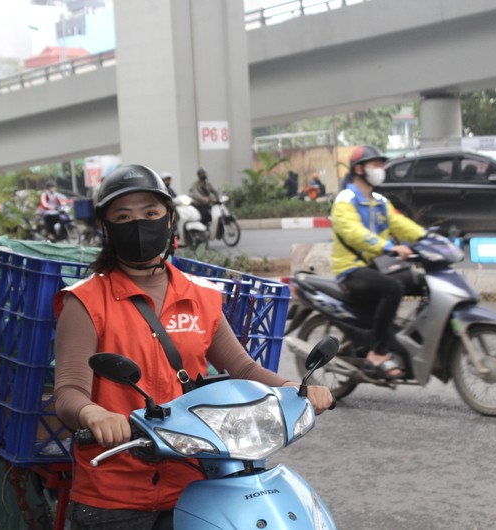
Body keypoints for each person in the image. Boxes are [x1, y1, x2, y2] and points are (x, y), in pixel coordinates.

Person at [53, 164, 333, 529]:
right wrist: (95, 415)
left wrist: (293, 389)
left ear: (169, 220)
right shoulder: (86, 301)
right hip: (116, 491)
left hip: (198, 483)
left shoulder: (200, 296)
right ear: (106, 229)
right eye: (123, 216)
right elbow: (69, 391)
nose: (139, 223)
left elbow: (244, 369)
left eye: (151, 213)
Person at [331, 145, 426, 380]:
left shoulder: (379, 200)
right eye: (375, 165)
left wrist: (427, 238)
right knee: (392, 289)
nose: (381, 169)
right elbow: (353, 232)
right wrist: (389, 247)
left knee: (421, 281)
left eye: (381, 165)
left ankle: (410, 340)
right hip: (352, 270)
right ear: (360, 169)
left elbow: (400, 224)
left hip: (377, 266)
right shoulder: (345, 199)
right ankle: (378, 351)